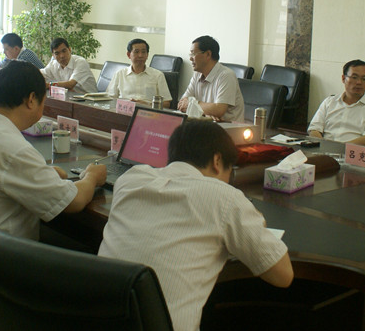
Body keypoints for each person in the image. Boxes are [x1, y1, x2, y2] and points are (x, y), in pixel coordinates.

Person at [99, 120, 293, 331]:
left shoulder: (130, 179)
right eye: (229, 172)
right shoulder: (225, 198)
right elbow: (283, 276)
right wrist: (250, 220)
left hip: (97, 321)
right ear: (217, 161)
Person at [0, 60, 106, 256]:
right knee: (88, 251)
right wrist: (92, 176)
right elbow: (74, 202)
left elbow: (4, 172)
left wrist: (44, 174)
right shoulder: (11, 147)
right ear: (32, 99)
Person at [308, 59, 365, 146]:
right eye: (354, 77)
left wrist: (339, 148)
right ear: (343, 78)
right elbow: (314, 129)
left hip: (354, 153)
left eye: (364, 79)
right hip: (324, 150)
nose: (359, 82)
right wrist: (322, 146)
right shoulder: (329, 102)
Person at [177, 35, 244, 122]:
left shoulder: (226, 76)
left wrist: (192, 105)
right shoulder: (197, 75)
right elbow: (181, 104)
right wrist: (205, 113)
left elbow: (219, 109)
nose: (190, 58)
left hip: (227, 127)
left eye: (193, 54)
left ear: (208, 54)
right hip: (206, 124)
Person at [106, 38, 172, 107]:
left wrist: (148, 104)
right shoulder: (119, 74)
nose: (140, 55)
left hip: (148, 112)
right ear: (128, 55)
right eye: (136, 52)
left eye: (143, 52)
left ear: (147, 55)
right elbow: (110, 99)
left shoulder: (158, 75)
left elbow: (167, 103)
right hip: (124, 111)